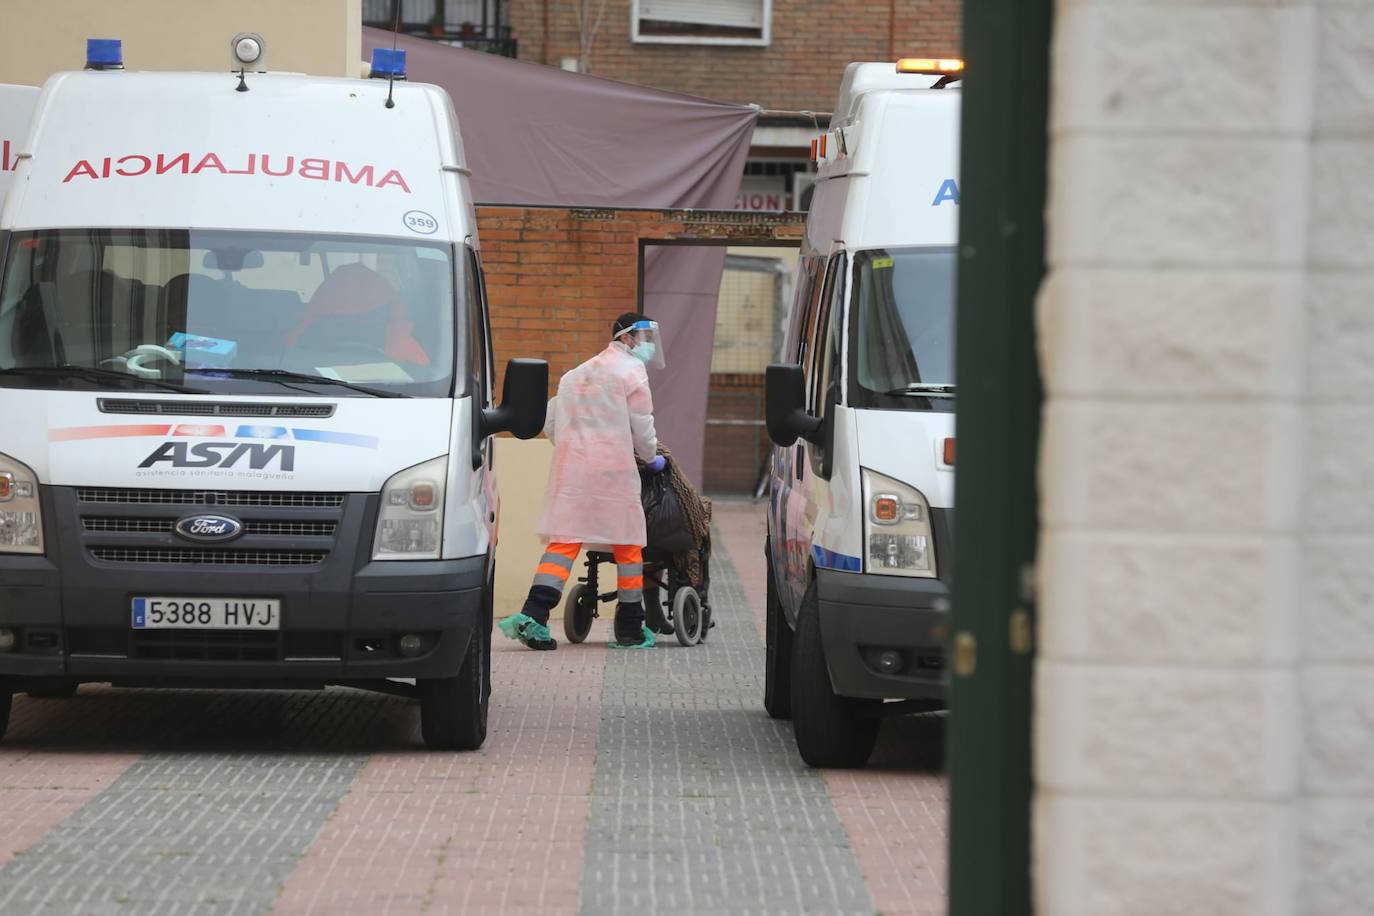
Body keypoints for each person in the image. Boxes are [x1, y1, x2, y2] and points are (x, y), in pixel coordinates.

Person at [499, 312, 667, 650]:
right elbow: (642, 426)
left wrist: (574, 449)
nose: (648, 347)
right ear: (626, 339)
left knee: (563, 543)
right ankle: (630, 628)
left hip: (570, 471)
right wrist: (652, 458)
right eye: (644, 339)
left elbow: (552, 421)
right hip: (613, 473)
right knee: (628, 544)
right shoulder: (632, 371)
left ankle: (533, 617)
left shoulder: (576, 374)